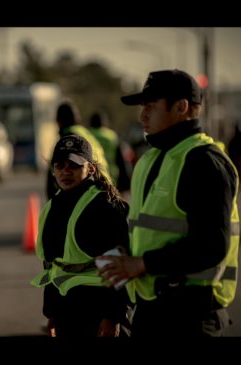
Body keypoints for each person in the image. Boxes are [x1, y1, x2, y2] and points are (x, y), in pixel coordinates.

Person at [97, 69, 240, 338]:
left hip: (191, 318)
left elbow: (211, 245)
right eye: (142, 107)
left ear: (181, 107)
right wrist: (126, 259)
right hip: (150, 313)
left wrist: (142, 263)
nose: (142, 116)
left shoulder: (205, 162)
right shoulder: (150, 160)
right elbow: (146, 233)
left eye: (150, 107)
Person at [31, 134, 130, 337]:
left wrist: (113, 317)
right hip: (66, 308)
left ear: (90, 169)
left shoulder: (106, 206)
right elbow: (52, 266)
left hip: (97, 308)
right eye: (60, 166)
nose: (66, 172)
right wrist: (51, 313)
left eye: (74, 166)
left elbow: (119, 265)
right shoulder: (52, 207)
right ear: (52, 170)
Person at [46, 100, 111, 200]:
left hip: (88, 188)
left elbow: (55, 173)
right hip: (104, 184)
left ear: (58, 121)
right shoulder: (85, 133)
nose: (65, 170)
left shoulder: (68, 138)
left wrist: (52, 199)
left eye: (73, 165)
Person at [89, 111, 131, 193]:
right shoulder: (111, 136)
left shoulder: (88, 134)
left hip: (94, 174)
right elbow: (120, 159)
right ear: (104, 122)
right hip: (112, 176)